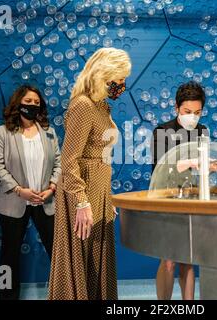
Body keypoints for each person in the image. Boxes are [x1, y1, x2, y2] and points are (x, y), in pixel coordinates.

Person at [48, 48, 132, 300]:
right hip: (81, 193)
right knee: (80, 253)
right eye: (120, 79)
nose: (123, 86)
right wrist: (82, 201)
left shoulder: (101, 106)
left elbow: (100, 155)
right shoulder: (83, 105)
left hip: (99, 190)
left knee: (96, 255)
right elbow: (70, 159)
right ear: (105, 74)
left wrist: (106, 195)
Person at [0, 85, 61, 300]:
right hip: (14, 203)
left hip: (45, 202)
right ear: (18, 103)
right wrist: (20, 191)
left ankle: (63, 294)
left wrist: (51, 188)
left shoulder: (49, 133)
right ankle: (7, 297)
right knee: (8, 256)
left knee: (58, 254)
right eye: (28, 101)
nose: (32, 105)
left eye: (36, 102)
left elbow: (59, 163)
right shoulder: (3, 132)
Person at [152, 81, 217, 300]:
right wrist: (190, 162)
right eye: (187, 112)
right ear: (176, 108)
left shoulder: (202, 131)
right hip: (166, 200)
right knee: (169, 259)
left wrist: (209, 166)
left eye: (198, 112)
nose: (193, 116)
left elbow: (199, 171)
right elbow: (159, 169)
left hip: (191, 199)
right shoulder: (162, 131)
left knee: (188, 260)